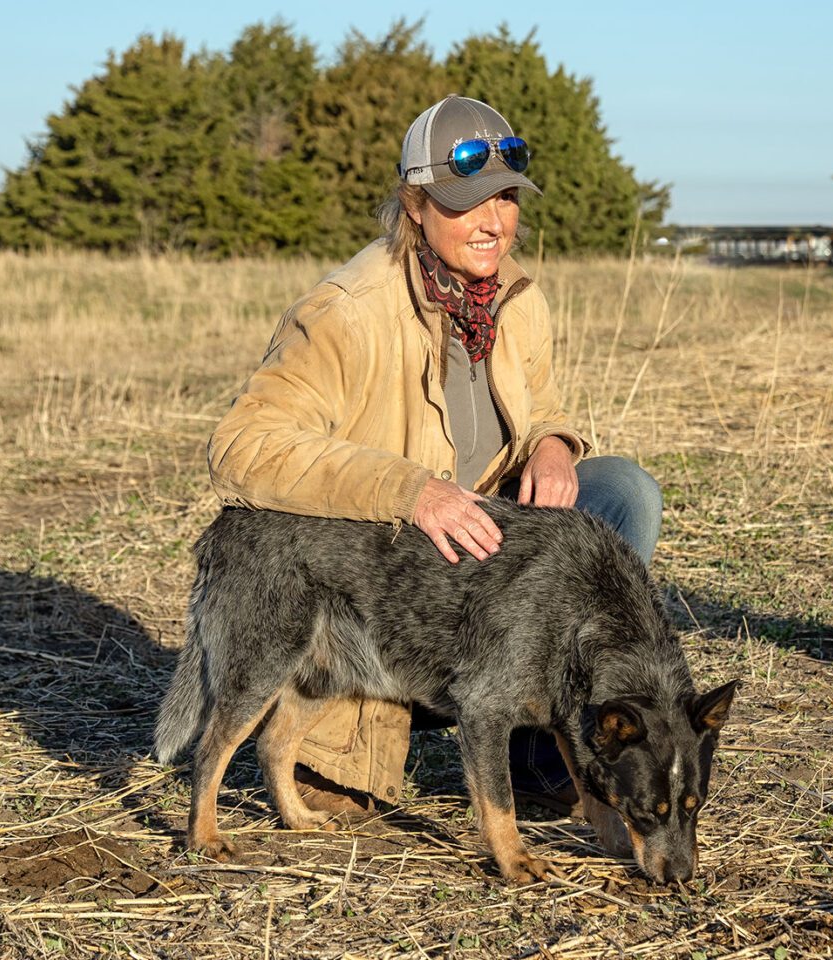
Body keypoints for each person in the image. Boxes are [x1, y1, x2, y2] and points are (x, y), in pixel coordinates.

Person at [206, 94, 662, 815]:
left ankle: (538, 750)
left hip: (487, 575)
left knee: (621, 495)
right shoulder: (346, 312)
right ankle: (341, 742)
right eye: (464, 203)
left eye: (505, 199)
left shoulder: (517, 297)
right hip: (391, 586)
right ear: (414, 205)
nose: (493, 221)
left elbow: (541, 403)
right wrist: (409, 490)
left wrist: (550, 445)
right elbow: (243, 448)